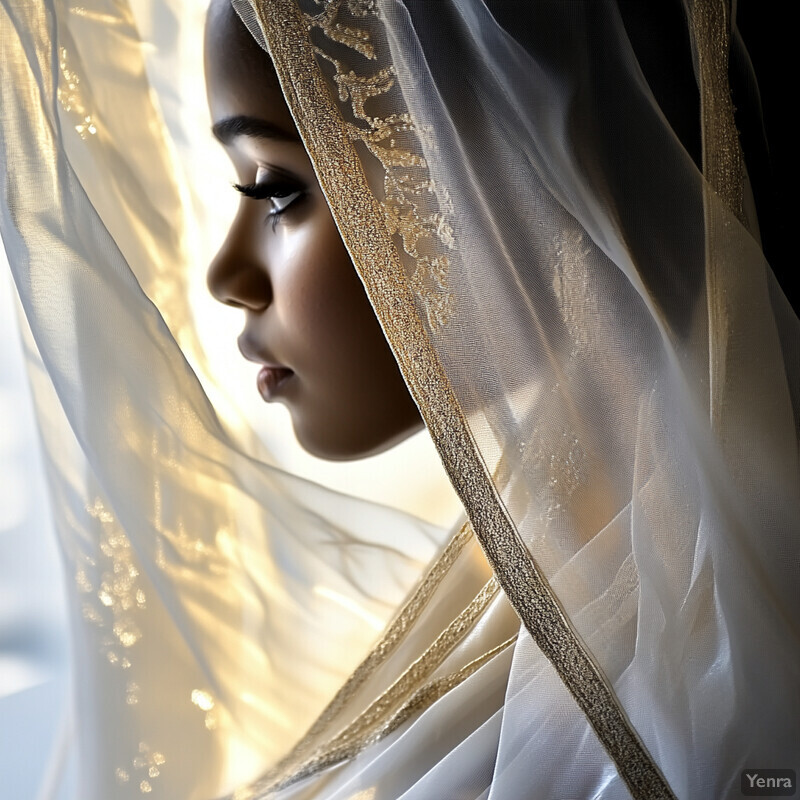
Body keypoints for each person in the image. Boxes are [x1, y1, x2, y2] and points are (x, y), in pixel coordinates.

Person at [1, 1, 798, 799]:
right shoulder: (570, 582)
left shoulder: (705, 711)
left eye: (276, 189)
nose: (226, 276)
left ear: (501, 163)